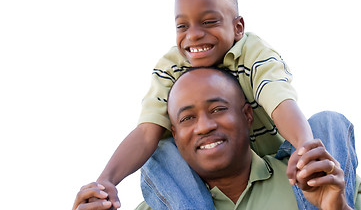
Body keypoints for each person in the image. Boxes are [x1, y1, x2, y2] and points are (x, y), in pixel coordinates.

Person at [87, 0, 353, 209]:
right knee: (160, 151)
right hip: (197, 175)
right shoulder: (170, 67)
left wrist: (305, 148)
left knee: (330, 122)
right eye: (182, 26)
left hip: (280, 156)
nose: (194, 35)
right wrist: (105, 182)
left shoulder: (254, 51)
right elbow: (146, 132)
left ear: (238, 27)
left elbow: (279, 100)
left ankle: (321, 203)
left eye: (209, 22)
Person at [73, 67, 361, 210]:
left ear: (248, 116)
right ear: (174, 134)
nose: (204, 126)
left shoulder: (326, 183)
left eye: (218, 109)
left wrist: (335, 207)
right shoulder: (160, 202)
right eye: (187, 118)